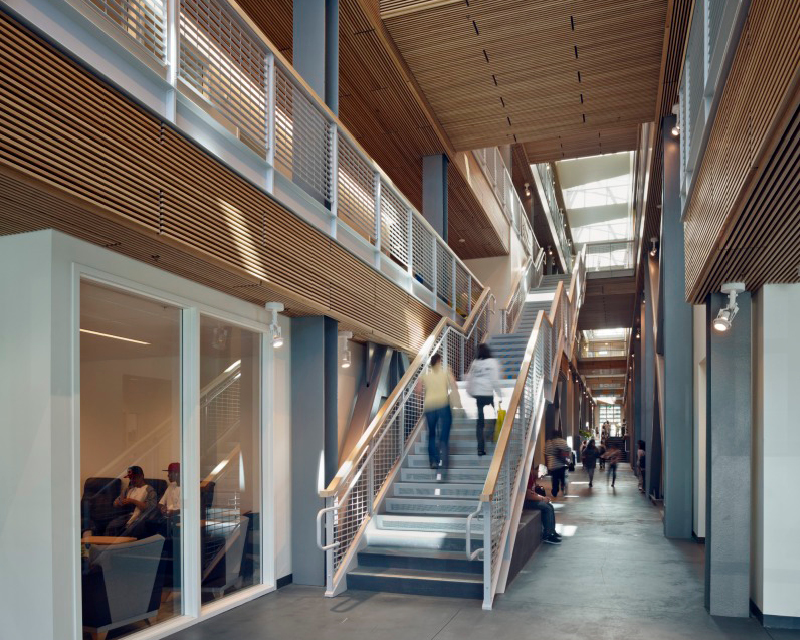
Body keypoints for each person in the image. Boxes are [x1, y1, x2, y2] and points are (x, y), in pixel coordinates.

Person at [419, 353, 460, 473]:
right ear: (439, 362)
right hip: (443, 405)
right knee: (445, 428)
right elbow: (454, 385)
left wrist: (420, 403)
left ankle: (433, 461)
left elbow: (418, 389)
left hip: (429, 407)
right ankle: (443, 445)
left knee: (431, 434)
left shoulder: (426, 376)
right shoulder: (445, 372)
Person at [465, 343, 501, 456]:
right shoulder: (492, 362)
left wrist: (470, 392)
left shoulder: (475, 363)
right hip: (488, 394)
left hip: (478, 395)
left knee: (479, 423)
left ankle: (480, 448)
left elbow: (470, 379)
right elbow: (495, 380)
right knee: (495, 416)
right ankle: (490, 435)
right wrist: (499, 394)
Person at [105, 465, 157, 537]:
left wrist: (132, 501)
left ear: (142, 476)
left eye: (134, 478)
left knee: (129, 531)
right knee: (111, 526)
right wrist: (119, 502)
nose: (132, 480)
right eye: (130, 478)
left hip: (139, 518)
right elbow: (115, 503)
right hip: (126, 516)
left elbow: (150, 508)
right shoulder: (129, 489)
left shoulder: (149, 490)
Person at [524, 470, 562, 545]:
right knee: (546, 507)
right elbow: (528, 495)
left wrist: (543, 497)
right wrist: (542, 499)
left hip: (529, 500)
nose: (542, 477)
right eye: (541, 474)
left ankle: (552, 531)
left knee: (550, 505)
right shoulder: (528, 476)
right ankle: (547, 535)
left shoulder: (531, 476)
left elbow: (532, 493)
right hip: (525, 502)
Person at [545, 430, 571, 497]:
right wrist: (568, 460)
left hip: (552, 465)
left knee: (554, 479)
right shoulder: (562, 441)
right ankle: (563, 486)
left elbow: (546, 454)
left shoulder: (549, 442)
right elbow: (568, 450)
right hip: (562, 464)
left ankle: (555, 491)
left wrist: (547, 464)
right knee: (562, 477)